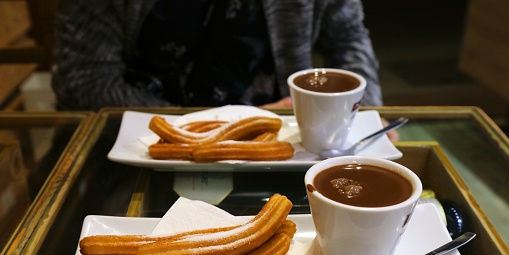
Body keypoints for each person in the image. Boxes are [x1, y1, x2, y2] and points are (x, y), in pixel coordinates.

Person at [52, 0, 397, 139]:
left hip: (281, 137)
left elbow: (347, 36)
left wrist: (362, 110)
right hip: (139, 138)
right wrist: (216, 126)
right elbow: (82, 79)